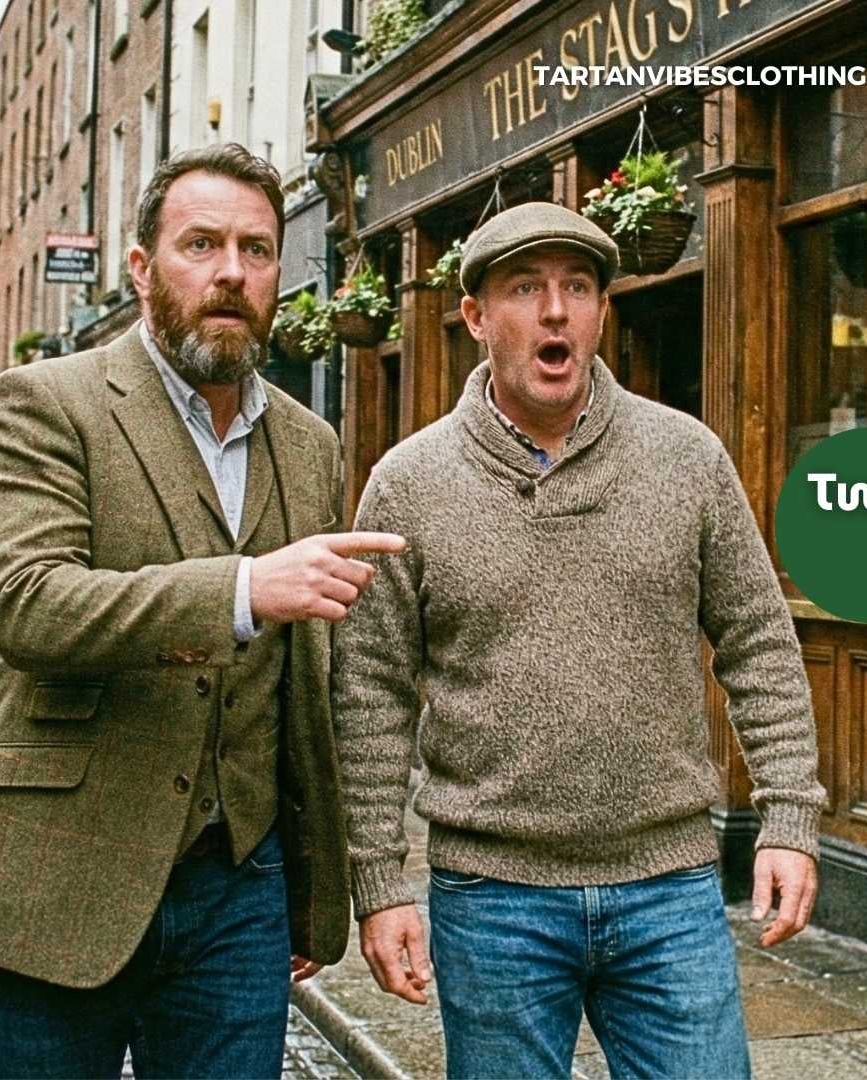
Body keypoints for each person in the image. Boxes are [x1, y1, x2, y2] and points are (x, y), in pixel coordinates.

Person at [0, 144, 405, 1079]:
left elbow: (305, 688)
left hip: (238, 890)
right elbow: (26, 605)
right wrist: (240, 589)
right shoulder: (44, 402)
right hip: (61, 874)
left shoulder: (311, 446)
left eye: (257, 251)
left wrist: (310, 887)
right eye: (202, 244)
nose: (231, 272)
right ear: (141, 269)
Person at [332, 202, 826, 1080]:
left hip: (668, 888)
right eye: (525, 288)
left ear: (601, 312)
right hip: (492, 900)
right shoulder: (409, 484)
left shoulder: (688, 458)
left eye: (578, 287)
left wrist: (788, 816)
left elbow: (759, 641)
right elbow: (369, 695)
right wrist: (379, 882)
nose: (555, 311)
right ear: (478, 318)